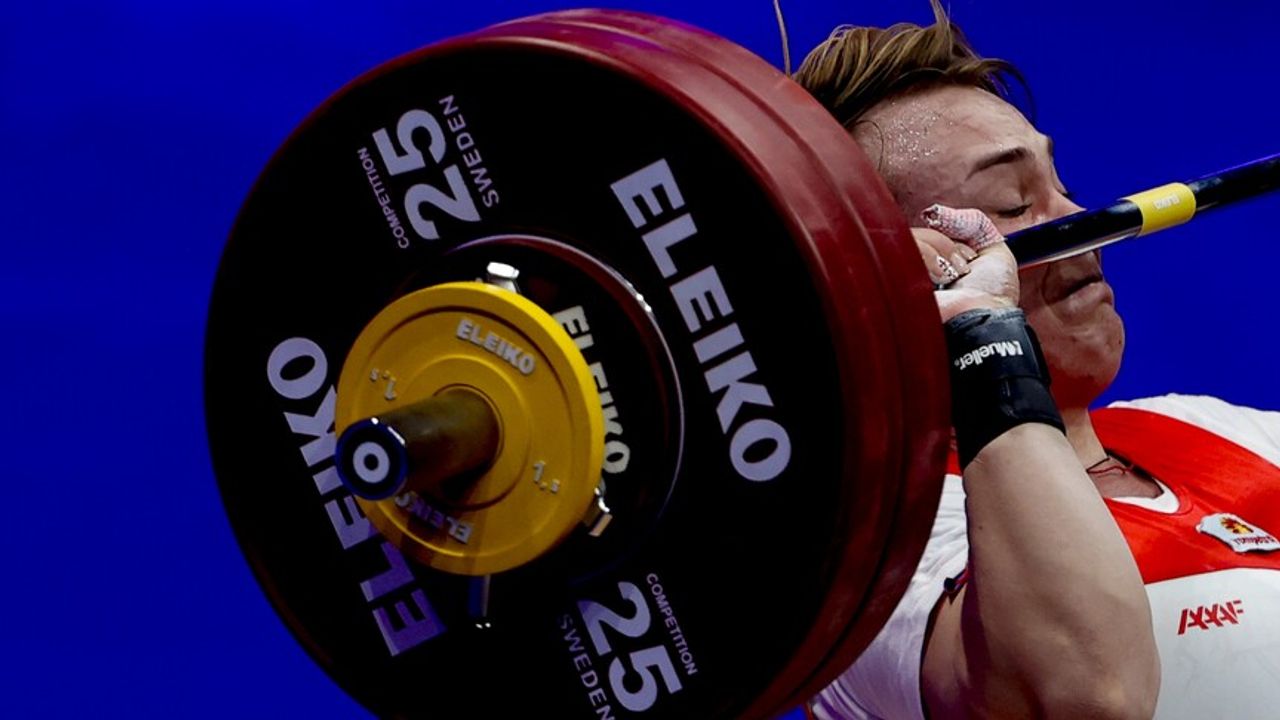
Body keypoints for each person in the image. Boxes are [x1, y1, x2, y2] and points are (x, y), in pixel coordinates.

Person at [792, 2, 1280, 718]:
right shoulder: (872, 558)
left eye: (1062, 186)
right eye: (1012, 204)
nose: (1082, 225)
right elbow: (1090, 693)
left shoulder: (1214, 432)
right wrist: (980, 329)